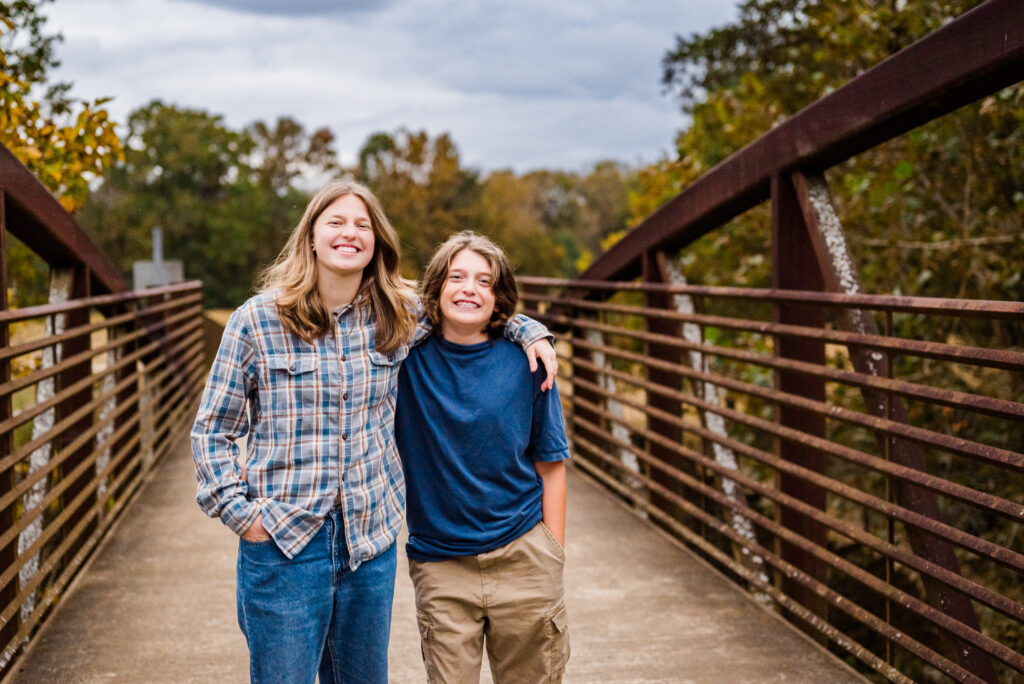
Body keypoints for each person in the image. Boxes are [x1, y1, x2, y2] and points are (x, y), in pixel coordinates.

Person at [191, 181, 556, 684]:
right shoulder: (256, 321)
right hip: (285, 542)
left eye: (363, 225)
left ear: (377, 243)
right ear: (311, 238)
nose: (350, 233)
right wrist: (244, 516)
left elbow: (468, 310)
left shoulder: (400, 314)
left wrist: (528, 331)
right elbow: (211, 431)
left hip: (369, 543)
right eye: (336, 222)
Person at [395, 231, 571, 683]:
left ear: (499, 297)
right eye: (457, 276)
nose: (469, 289)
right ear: (436, 288)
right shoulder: (402, 361)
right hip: (441, 563)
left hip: (524, 555)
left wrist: (552, 555)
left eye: (484, 281)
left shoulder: (529, 363)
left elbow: (550, 465)